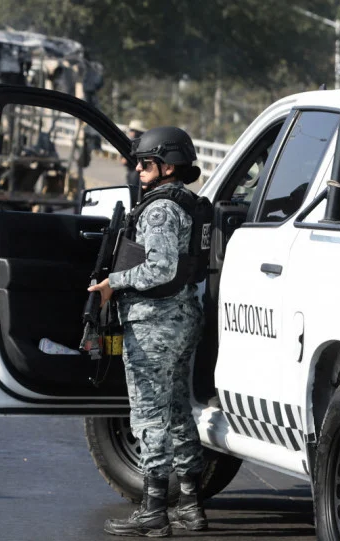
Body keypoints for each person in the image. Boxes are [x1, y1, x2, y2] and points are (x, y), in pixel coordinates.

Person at [88, 126, 206, 537]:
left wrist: (113, 284)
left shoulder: (159, 210)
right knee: (178, 412)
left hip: (154, 325)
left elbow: (160, 268)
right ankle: (190, 504)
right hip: (181, 318)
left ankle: (153, 509)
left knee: (150, 415)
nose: (137, 169)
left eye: (146, 163)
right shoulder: (185, 202)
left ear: (168, 166)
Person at [122, 119, 146, 204]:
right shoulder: (144, 143)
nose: (130, 132)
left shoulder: (134, 144)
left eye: (132, 130)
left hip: (134, 174)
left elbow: (124, 161)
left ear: (136, 132)